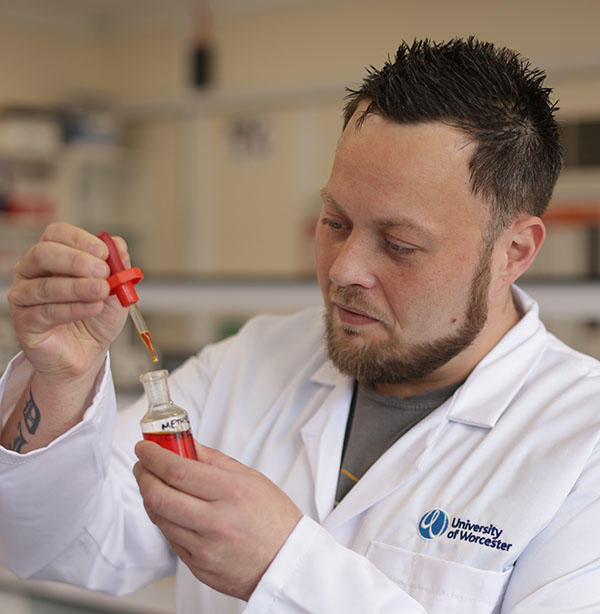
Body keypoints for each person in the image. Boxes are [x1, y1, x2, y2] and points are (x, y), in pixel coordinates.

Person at [0, 37, 599, 613]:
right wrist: (61, 381)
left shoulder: (581, 445)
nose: (345, 269)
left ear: (514, 251)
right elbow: (56, 545)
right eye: (335, 222)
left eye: (398, 243)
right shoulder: (253, 360)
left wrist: (284, 569)